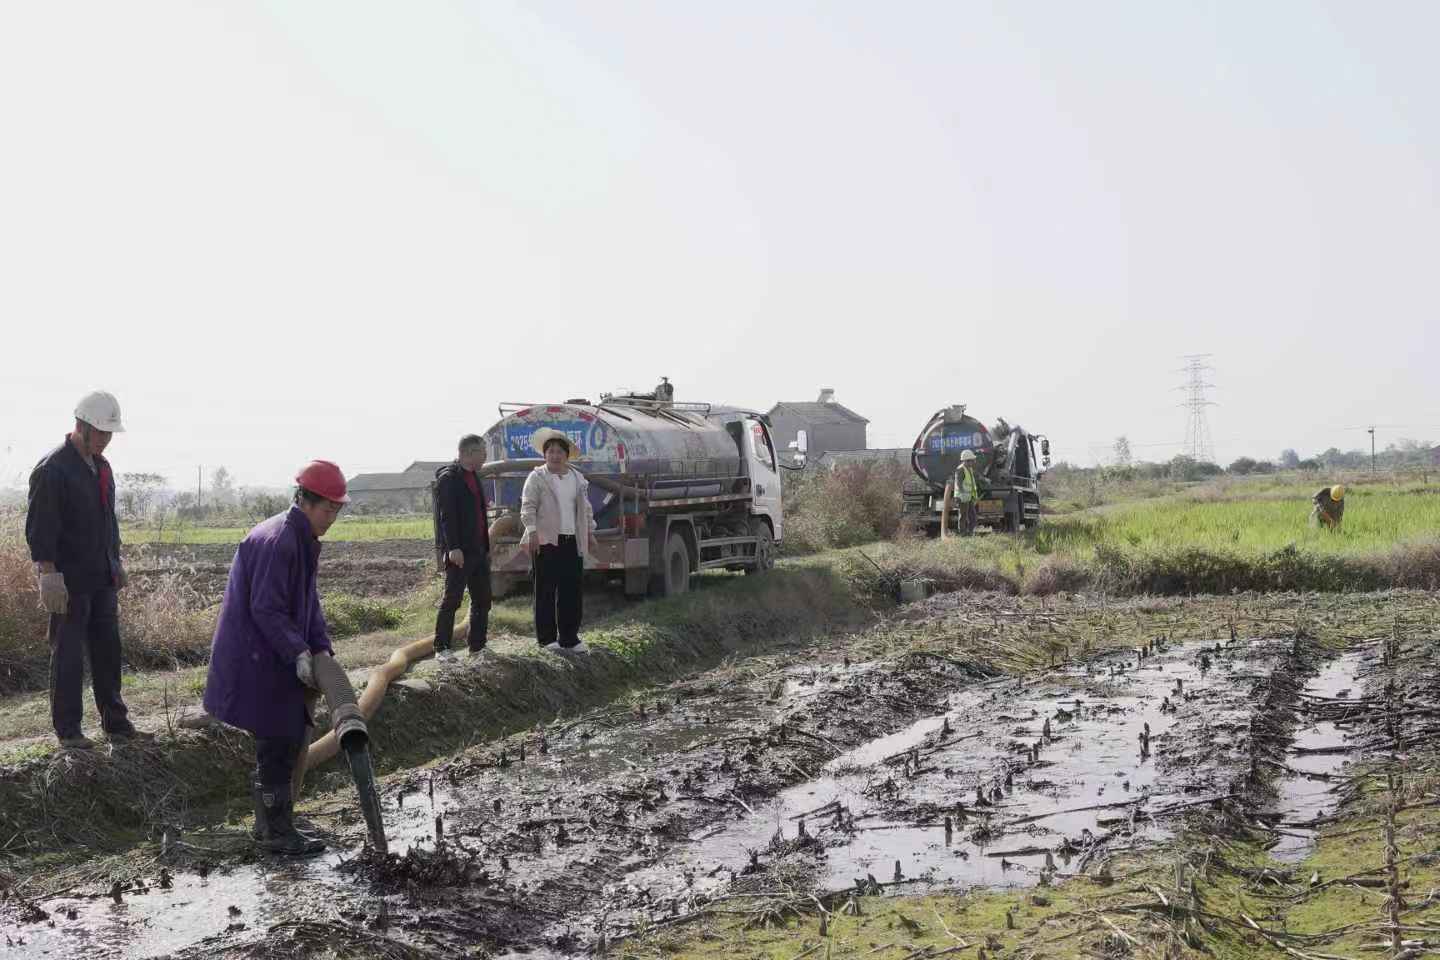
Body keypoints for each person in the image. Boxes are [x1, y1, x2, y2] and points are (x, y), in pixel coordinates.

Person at [202, 460, 350, 856]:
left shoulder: (302, 539)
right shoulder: (280, 540)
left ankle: (274, 823)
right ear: (304, 500)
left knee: (286, 738)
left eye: (337, 510)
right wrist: (297, 652)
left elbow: (307, 602)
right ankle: (273, 832)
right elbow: (266, 608)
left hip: (273, 653)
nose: (332, 518)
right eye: (327, 509)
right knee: (276, 738)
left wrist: (320, 649)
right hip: (255, 654)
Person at [26, 390, 147, 751]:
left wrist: (116, 561)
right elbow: (40, 526)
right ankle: (69, 731)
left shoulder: (102, 467)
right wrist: (48, 574)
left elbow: (108, 522)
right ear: (80, 426)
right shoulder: (54, 469)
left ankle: (116, 723)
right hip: (69, 580)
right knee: (68, 655)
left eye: (110, 434)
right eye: (101, 433)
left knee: (108, 650)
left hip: (101, 577)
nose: (107, 441)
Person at [521, 429, 599, 651]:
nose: (555, 456)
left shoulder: (576, 477)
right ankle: (546, 639)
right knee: (545, 590)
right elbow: (528, 506)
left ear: (567, 455)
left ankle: (569, 638)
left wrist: (590, 532)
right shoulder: (537, 477)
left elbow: (585, 508)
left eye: (559, 452)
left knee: (571, 590)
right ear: (545, 455)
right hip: (545, 541)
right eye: (550, 451)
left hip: (571, 540)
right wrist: (532, 532)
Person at [433, 435, 492, 662]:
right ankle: (442, 648)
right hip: (460, 551)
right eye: (482, 452)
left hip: (478, 549)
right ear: (468, 453)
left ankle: (477, 647)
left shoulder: (474, 477)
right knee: (452, 599)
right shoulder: (449, 478)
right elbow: (446, 517)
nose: (485, 456)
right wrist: (453, 547)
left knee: (483, 599)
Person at [953, 448, 980, 535]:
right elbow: (958, 483)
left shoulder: (969, 469)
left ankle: (970, 532)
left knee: (973, 516)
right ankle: (963, 533)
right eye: (971, 461)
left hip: (968, 497)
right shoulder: (960, 469)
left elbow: (973, 480)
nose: (973, 462)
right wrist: (963, 493)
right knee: (963, 516)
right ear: (966, 461)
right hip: (962, 497)